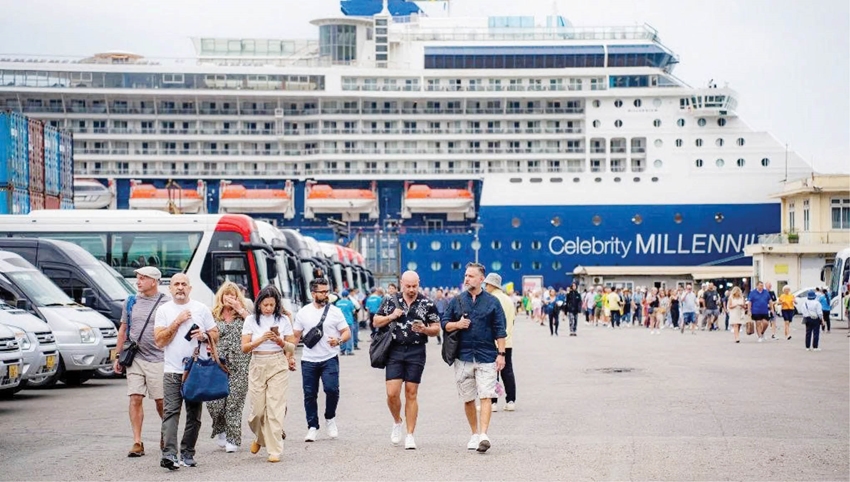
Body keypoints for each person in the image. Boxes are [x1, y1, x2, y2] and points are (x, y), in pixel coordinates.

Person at [153, 274, 219, 471]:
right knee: (171, 412)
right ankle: (169, 454)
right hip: (172, 370)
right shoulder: (164, 311)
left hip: (195, 370)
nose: (180, 288)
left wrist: (205, 335)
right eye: (176, 284)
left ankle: (188, 452)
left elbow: (216, 333)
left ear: (190, 288)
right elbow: (159, 341)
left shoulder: (201, 309)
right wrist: (177, 322)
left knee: (194, 415)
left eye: (184, 284)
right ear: (170, 289)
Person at [440, 262, 507, 453]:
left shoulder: (493, 302)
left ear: (481, 279)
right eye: (466, 275)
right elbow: (444, 323)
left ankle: (484, 435)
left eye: (470, 276)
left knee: (486, 395)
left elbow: (500, 330)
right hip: (463, 356)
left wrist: (501, 354)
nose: (466, 278)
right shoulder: (457, 300)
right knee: (468, 398)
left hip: (487, 356)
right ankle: (474, 433)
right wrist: (457, 324)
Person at [372, 270, 440, 450]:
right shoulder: (389, 300)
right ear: (402, 284)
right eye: (408, 286)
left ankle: (410, 434)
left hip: (416, 351)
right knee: (392, 393)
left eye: (414, 286)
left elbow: (436, 329)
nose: (411, 289)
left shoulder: (427, 303)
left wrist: (425, 329)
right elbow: (376, 321)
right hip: (394, 350)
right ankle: (397, 421)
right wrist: (391, 316)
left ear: (419, 283)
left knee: (411, 392)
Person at [113, 266, 169, 458]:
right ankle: (137, 441)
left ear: (154, 281)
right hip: (135, 357)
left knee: (161, 402)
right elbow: (123, 329)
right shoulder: (130, 301)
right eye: (138, 278)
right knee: (135, 398)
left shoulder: (166, 303)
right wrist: (118, 355)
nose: (138, 281)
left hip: (159, 359)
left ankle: (166, 433)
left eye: (143, 278)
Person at [241, 285, 297, 463]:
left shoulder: (283, 320)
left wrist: (279, 341)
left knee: (275, 408)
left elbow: (291, 347)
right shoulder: (250, 320)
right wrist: (260, 340)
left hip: (277, 364)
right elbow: (244, 348)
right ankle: (260, 438)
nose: (268, 308)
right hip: (257, 363)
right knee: (257, 411)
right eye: (265, 305)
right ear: (259, 304)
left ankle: (275, 450)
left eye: (272, 305)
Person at [293, 278, 351, 442]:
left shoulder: (335, 311)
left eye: (327, 291)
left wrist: (339, 341)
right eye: (322, 292)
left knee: (332, 390)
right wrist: (288, 355)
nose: (326, 294)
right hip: (309, 360)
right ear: (313, 293)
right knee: (309, 394)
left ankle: (330, 417)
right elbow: (296, 336)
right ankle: (312, 426)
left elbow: (346, 332)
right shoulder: (303, 312)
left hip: (329, 358)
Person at [207, 281, 252, 453]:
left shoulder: (244, 315)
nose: (230, 298)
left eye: (233, 295)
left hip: (240, 362)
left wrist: (240, 309)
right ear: (221, 296)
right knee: (214, 402)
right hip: (218, 361)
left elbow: (255, 326)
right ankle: (221, 428)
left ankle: (233, 438)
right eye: (227, 294)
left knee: (234, 401)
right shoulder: (212, 314)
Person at [483, 273, 517, 412]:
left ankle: (493, 402)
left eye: (486, 284)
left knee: (492, 372)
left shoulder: (491, 299)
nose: (485, 287)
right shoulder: (508, 299)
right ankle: (511, 401)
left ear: (491, 285)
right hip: (507, 341)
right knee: (507, 371)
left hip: (493, 341)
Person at [335, 290, 358, 356]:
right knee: (349, 336)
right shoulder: (349, 302)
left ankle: (342, 350)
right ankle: (349, 351)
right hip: (348, 321)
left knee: (341, 336)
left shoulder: (338, 303)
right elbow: (353, 311)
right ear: (347, 295)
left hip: (339, 322)